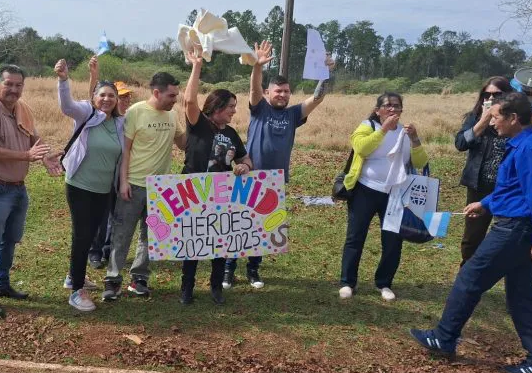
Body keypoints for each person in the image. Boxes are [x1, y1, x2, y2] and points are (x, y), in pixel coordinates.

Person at [410, 93, 532, 373]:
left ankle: (444, 337)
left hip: (514, 230)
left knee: (469, 278)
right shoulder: (520, 143)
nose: (492, 123)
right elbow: (512, 189)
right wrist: (486, 204)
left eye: (496, 117)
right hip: (513, 226)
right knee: (521, 296)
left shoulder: (530, 149)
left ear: (513, 118)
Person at [223, 40, 328, 290]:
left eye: (286, 91)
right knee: (238, 224)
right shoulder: (260, 109)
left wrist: (326, 74)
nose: (282, 95)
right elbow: (254, 90)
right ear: (269, 93)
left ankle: (253, 270)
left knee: (262, 227)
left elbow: (317, 98)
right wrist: (257, 66)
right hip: (249, 175)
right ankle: (228, 270)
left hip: (274, 181)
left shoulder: (292, 114)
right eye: (277, 91)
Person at [0, 64, 61, 319]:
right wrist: (26, 156)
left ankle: (1, 283)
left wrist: (46, 157)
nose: (13, 89)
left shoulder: (22, 108)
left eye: (18, 85)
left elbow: (35, 139)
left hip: (17, 188)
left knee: (10, 239)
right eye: (8, 84)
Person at [101, 71, 186, 301]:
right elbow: (125, 150)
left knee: (150, 236)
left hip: (160, 188)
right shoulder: (136, 112)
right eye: (171, 95)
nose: (175, 99)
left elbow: (184, 142)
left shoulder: (172, 115)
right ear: (156, 92)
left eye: (176, 95)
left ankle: (139, 278)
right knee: (122, 234)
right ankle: (113, 280)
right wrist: (123, 181)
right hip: (134, 185)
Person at [179, 49, 254, 305]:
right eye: (231, 107)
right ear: (218, 107)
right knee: (193, 240)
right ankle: (187, 288)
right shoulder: (198, 123)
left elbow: (245, 159)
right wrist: (196, 67)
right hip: (193, 190)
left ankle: (215, 287)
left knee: (220, 242)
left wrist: (244, 167)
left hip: (221, 193)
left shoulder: (232, 133)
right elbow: (189, 102)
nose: (234, 111)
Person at [338, 92, 428, 301]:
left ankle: (384, 283)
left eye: (396, 106)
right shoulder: (367, 126)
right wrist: (384, 129)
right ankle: (347, 282)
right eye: (387, 106)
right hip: (365, 190)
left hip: (395, 194)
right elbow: (361, 148)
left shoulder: (405, 133)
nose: (392, 109)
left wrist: (415, 139)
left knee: (393, 240)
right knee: (355, 237)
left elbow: (420, 163)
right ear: (378, 110)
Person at [54, 59, 124, 312]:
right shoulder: (87, 114)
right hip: (80, 185)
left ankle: (75, 275)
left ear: (117, 100)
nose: (107, 99)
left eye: (111, 96)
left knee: (91, 234)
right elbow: (67, 106)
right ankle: (76, 291)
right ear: (94, 98)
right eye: (102, 95)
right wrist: (63, 80)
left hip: (104, 190)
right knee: (82, 234)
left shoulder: (118, 124)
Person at [454, 76, 514, 265]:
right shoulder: (474, 117)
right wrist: (484, 119)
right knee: (472, 237)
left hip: (507, 187)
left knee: (508, 234)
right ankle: (467, 275)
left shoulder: (514, 119)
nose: (491, 98)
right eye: (486, 94)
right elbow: (461, 144)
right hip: (479, 185)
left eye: (497, 94)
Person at [86, 57, 134, 269]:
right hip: (102, 174)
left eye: (126, 97)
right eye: (120, 96)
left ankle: (108, 250)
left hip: (121, 175)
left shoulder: (128, 120)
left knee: (117, 215)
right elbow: (90, 101)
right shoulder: (99, 116)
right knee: (100, 215)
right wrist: (93, 76)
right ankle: (94, 251)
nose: (123, 100)